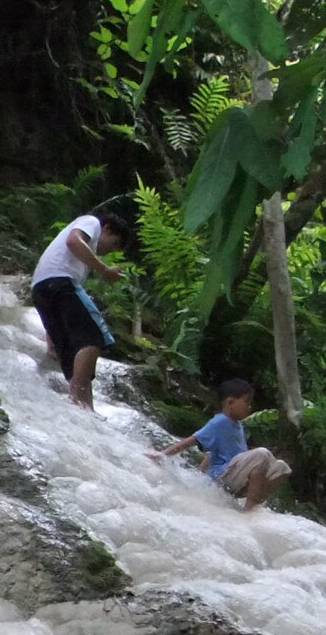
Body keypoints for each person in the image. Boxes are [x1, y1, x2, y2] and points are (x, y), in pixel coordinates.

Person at [31, 209, 130, 409]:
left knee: (71, 354)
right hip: (59, 282)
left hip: (40, 290)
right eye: (114, 244)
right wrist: (104, 270)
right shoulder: (91, 222)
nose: (110, 251)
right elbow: (73, 241)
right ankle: (80, 398)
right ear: (107, 229)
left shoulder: (76, 263)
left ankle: (82, 407)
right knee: (93, 337)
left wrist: (53, 334)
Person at [152, 377, 292, 511]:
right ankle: (249, 509)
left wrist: (199, 472)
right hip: (223, 476)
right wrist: (163, 454)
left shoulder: (238, 426)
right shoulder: (219, 422)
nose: (249, 407)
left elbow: (211, 452)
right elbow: (191, 440)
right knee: (262, 454)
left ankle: (252, 501)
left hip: (236, 477)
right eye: (246, 401)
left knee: (282, 468)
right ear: (230, 402)